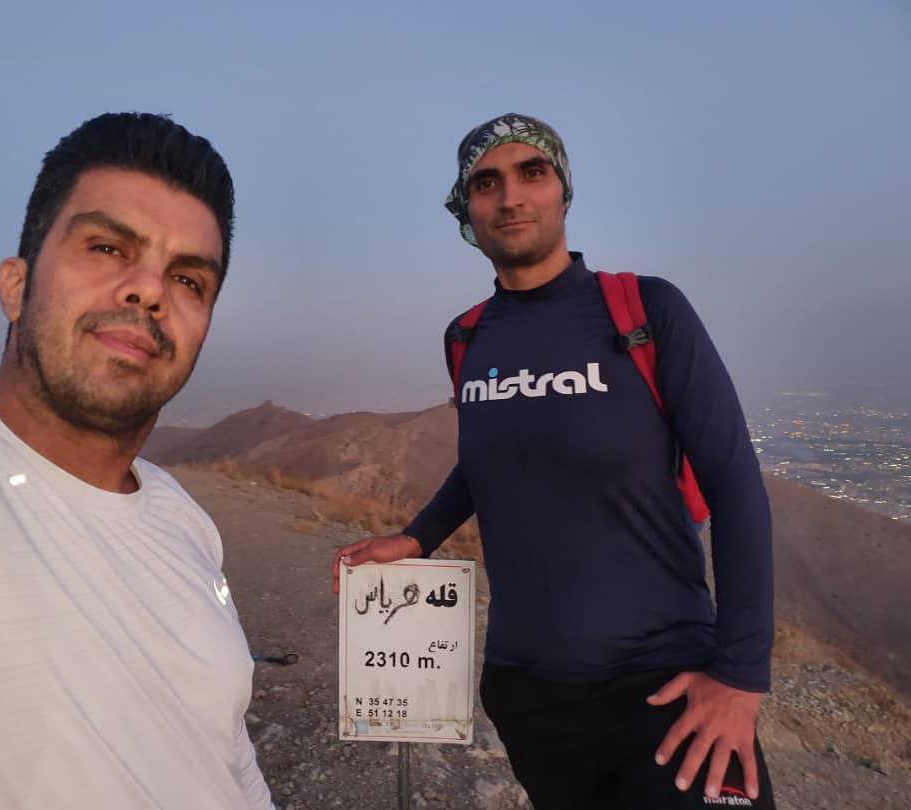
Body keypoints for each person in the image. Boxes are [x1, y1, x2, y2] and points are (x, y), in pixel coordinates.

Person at [332, 113, 776, 809]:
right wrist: (417, 538)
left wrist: (741, 678)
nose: (510, 196)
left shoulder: (646, 310)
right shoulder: (466, 338)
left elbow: (737, 486)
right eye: (486, 183)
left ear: (563, 190)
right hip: (529, 695)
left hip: (664, 685)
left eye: (531, 173)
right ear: (466, 209)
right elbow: (487, 458)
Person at [0, 113, 273, 809]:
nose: (149, 290)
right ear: (16, 285)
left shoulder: (183, 519)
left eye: (189, 280)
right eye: (107, 247)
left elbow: (228, 753)